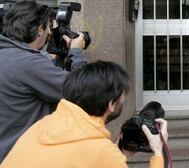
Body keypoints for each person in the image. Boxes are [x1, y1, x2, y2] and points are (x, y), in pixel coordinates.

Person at [1, 60, 167, 168]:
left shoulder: (42, 125)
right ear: (111, 104)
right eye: (123, 97)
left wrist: (118, 154)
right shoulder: (102, 152)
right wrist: (159, 153)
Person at [0, 1, 87, 161]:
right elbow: (83, 90)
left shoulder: (7, 55)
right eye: (47, 28)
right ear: (39, 30)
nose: (49, 34)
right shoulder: (28, 63)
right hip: (19, 158)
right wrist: (76, 52)